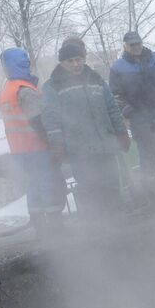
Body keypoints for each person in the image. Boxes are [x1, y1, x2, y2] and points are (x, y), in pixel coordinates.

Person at [41, 39, 130, 221]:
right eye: (70, 61)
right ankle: (96, 226)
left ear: (83, 59)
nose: (75, 64)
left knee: (112, 183)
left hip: (105, 144)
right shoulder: (53, 86)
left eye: (78, 59)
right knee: (90, 187)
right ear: (62, 62)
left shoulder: (96, 79)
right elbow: (51, 119)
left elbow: (111, 107)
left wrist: (121, 132)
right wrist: (57, 145)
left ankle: (118, 222)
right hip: (79, 150)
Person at [0, 47, 66, 238]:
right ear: (23, 64)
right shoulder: (25, 90)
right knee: (48, 184)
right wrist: (53, 143)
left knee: (34, 186)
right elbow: (38, 120)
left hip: (20, 151)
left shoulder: (8, 89)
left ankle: (40, 227)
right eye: (27, 62)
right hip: (37, 148)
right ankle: (56, 228)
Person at [108, 30, 155, 203]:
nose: (136, 47)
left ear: (142, 43)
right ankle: (152, 198)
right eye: (132, 45)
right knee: (147, 162)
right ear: (125, 46)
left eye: (138, 44)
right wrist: (130, 112)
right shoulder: (118, 67)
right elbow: (115, 96)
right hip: (140, 123)